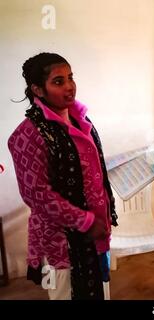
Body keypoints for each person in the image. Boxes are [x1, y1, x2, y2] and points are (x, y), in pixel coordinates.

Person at [8, 52, 118, 300]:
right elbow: (38, 196)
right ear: (38, 89)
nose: (69, 87)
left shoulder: (81, 120)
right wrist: (87, 222)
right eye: (58, 82)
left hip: (95, 235)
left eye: (71, 78)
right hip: (60, 243)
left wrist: (101, 217)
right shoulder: (28, 135)